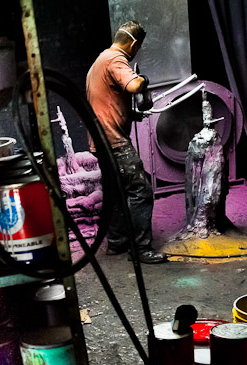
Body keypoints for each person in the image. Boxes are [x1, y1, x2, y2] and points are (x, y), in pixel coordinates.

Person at [86, 20, 167, 264]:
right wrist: (142, 80)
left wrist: (132, 115)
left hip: (100, 140)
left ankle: (117, 242)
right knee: (141, 190)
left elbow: (105, 101)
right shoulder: (116, 59)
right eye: (138, 48)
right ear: (133, 43)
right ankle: (140, 249)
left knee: (116, 191)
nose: (136, 53)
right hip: (113, 142)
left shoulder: (100, 61)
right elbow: (132, 85)